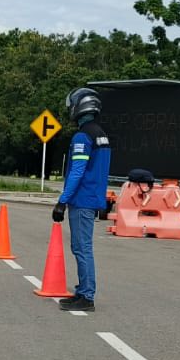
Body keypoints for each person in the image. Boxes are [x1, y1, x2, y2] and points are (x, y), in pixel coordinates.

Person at [52, 87, 112, 311]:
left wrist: (62, 201)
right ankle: (82, 291)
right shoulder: (101, 135)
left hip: (82, 199)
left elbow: (77, 171)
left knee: (81, 248)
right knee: (83, 247)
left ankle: (86, 296)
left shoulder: (82, 136)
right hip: (93, 197)